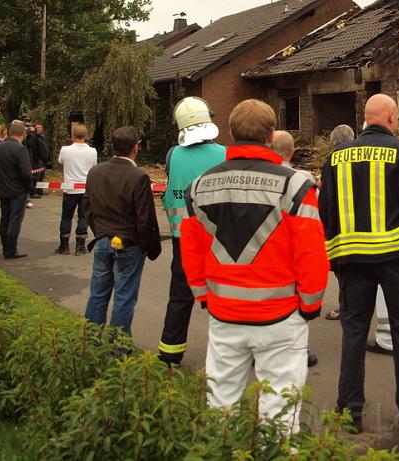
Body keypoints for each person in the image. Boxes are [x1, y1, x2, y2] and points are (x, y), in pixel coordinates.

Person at [180, 99, 329, 433]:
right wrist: (310, 304)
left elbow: (191, 251)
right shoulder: (296, 186)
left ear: (231, 133)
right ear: (271, 134)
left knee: (220, 408)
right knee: (280, 412)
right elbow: (312, 253)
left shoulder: (198, 188)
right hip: (281, 318)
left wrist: (204, 297)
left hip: (224, 316)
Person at [318, 94, 399, 434]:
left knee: (353, 334)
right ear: (392, 117)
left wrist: (335, 253)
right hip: (395, 258)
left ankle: (349, 414)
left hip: (352, 260)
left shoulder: (335, 158)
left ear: (365, 119)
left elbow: (325, 210)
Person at [157, 97, 225, 366]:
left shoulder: (173, 155)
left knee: (180, 296)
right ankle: (230, 353)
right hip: (218, 239)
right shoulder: (224, 154)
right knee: (223, 297)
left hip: (182, 239)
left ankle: (170, 352)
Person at [84, 126, 162, 335]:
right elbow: (145, 218)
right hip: (129, 244)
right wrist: (150, 247)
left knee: (98, 293)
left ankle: (89, 343)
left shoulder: (95, 172)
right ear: (135, 148)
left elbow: (87, 207)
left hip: (102, 240)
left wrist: (99, 232)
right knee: (124, 296)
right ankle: (118, 348)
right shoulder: (138, 177)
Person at [271, 129, 321, 368]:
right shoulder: (303, 179)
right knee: (294, 308)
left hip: (265, 252)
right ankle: (299, 349)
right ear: (292, 152)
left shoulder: (258, 176)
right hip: (293, 253)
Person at [324, 124, 356, 323]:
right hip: (367, 227)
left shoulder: (333, 160)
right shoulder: (363, 156)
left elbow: (326, 199)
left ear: (333, 143)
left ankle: (345, 308)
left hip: (341, 226)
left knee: (343, 273)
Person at [0, 120, 33, 259]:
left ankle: (5, 247)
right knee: (15, 220)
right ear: (23, 134)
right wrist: (29, 188)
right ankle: (11, 249)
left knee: (5, 218)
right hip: (18, 190)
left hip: (2, 189)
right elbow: (26, 173)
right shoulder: (21, 149)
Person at [57, 123, 98, 255]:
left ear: (73, 136)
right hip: (85, 188)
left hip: (70, 188)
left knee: (66, 216)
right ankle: (80, 246)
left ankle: (64, 245)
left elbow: (60, 161)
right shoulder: (92, 151)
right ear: (86, 136)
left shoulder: (65, 150)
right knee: (83, 217)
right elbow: (94, 166)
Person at [25, 122, 51, 198]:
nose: (39, 129)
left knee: (41, 176)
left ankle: (39, 190)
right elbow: (34, 148)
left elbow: (46, 147)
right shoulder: (32, 137)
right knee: (36, 176)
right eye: (38, 127)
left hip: (44, 160)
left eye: (40, 127)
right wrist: (37, 159)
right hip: (37, 160)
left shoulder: (42, 137)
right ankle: (33, 192)